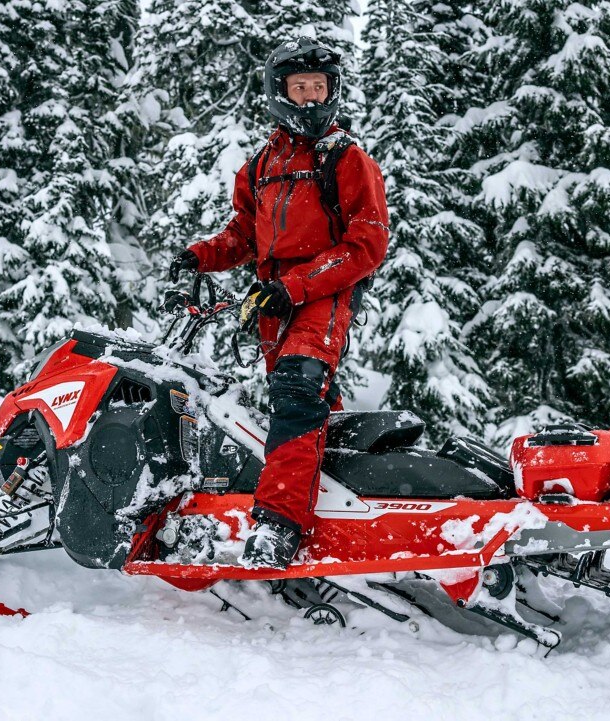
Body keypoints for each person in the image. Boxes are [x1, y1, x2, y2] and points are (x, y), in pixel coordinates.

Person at [168, 37, 390, 568]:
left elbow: (368, 242)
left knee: (296, 390)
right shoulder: (261, 165)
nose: (312, 100)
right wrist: (198, 257)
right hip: (273, 301)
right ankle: (337, 511)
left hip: (324, 293)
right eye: (301, 89)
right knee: (306, 407)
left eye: (320, 89)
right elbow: (243, 234)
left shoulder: (347, 158)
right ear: (279, 93)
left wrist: (297, 285)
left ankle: (278, 527)